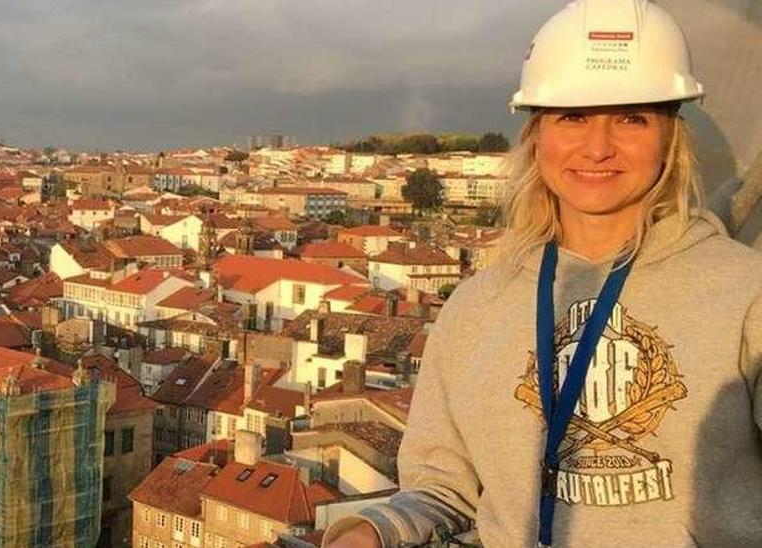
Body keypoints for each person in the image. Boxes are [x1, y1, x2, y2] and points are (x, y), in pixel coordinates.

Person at [324, 0, 762, 546]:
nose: (598, 147)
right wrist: (375, 530)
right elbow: (444, 489)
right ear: (537, 136)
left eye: (632, 117)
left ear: (671, 137)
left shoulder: (745, 292)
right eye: (573, 117)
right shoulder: (477, 306)